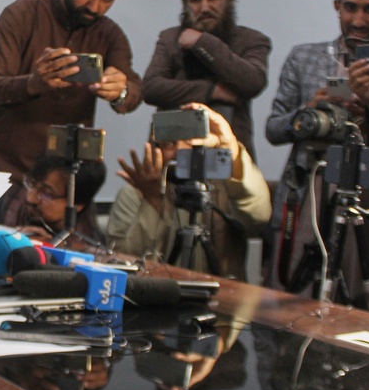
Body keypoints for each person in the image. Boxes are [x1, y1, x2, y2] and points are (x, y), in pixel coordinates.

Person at [264, 0, 369, 300]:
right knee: (290, 292)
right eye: (350, 7)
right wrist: (308, 112)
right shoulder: (304, 57)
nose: (358, 20)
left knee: (359, 298)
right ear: (337, 5)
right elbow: (273, 128)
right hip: (305, 188)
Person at [0, 0, 141, 181]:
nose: (94, 6)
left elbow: (133, 92)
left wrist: (120, 92)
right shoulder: (21, 15)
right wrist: (32, 83)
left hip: (59, 182)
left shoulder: (111, 36)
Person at [106, 103, 270, 280]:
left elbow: (259, 216)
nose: (179, 150)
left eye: (190, 140)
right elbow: (123, 264)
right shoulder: (134, 194)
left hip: (222, 298)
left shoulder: (227, 189)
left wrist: (233, 152)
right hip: (159, 300)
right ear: (155, 148)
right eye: (169, 143)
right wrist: (152, 201)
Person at [142, 0, 272, 157]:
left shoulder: (252, 40)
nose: (204, 7)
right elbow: (151, 87)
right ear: (185, 4)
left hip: (231, 158)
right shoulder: (169, 38)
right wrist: (212, 91)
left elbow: (253, 82)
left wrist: (202, 42)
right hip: (171, 155)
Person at [0, 152, 107, 245]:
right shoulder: (9, 201)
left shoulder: (89, 242)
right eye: (32, 184)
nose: (31, 198)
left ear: (77, 205)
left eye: (46, 194)